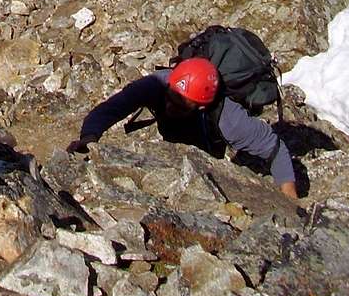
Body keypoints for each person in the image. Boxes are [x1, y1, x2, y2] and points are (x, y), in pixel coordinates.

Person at [68, 57, 298, 198]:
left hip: (205, 145)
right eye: (169, 97)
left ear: (201, 107)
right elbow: (111, 108)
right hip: (176, 138)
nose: (169, 105)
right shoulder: (156, 84)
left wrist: (289, 197)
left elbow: (275, 148)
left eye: (179, 105)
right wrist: (89, 136)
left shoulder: (230, 119)